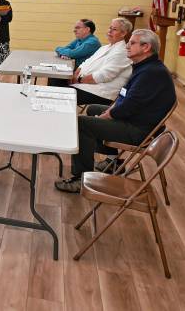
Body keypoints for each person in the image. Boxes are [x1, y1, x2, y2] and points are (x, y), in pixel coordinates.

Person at [55, 29, 176, 193]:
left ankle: (80, 179)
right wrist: (109, 111)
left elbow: (129, 106)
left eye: (132, 43)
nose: (127, 46)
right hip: (135, 119)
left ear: (146, 47)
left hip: (140, 130)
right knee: (93, 109)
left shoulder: (151, 73)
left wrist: (108, 115)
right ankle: (112, 162)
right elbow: (124, 96)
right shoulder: (145, 67)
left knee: (81, 124)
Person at [69, 18, 133, 105]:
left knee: (59, 94)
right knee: (56, 83)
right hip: (85, 84)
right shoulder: (104, 48)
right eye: (110, 28)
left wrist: (79, 80)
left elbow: (104, 75)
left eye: (114, 29)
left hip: (100, 93)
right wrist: (75, 76)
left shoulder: (123, 52)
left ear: (123, 33)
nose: (110, 31)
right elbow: (86, 63)